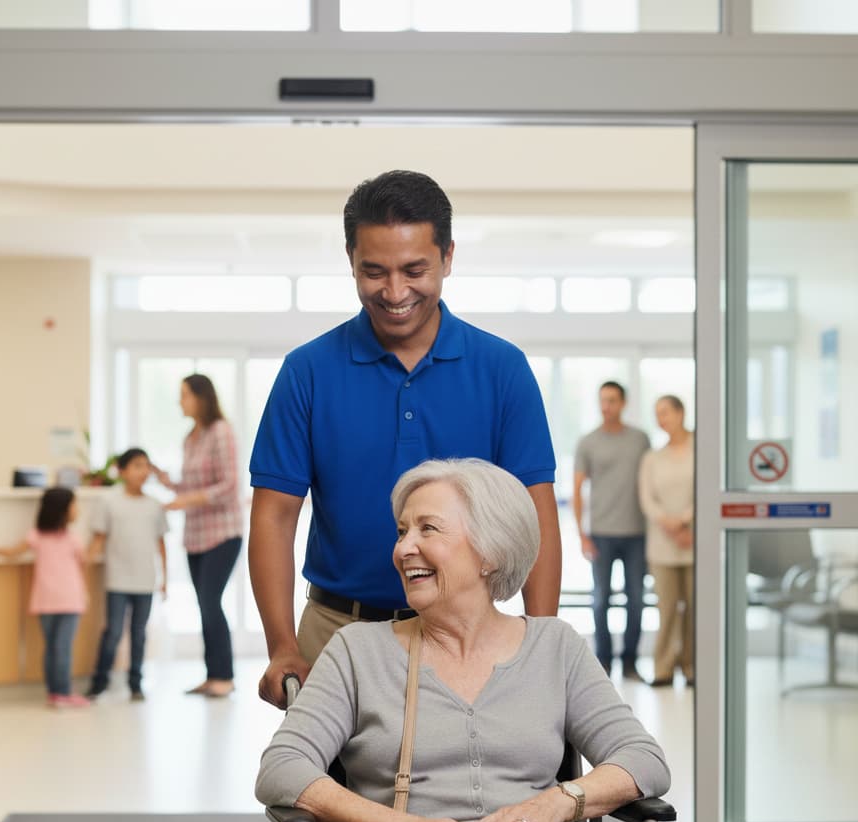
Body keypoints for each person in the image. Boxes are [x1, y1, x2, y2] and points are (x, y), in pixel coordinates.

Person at [256, 458, 669, 822]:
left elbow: (642, 758)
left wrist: (558, 802)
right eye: (402, 531)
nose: (404, 548)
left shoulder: (555, 648)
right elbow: (281, 768)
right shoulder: (359, 651)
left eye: (428, 529)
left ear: (491, 550)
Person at [249, 169, 561, 707]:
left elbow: (537, 512)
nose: (395, 293)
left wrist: (541, 641)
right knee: (326, 793)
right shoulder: (307, 372)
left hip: (470, 633)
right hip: (335, 633)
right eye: (374, 272)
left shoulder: (502, 369)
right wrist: (281, 646)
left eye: (414, 269)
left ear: (447, 257)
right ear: (350, 260)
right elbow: (274, 517)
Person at [153, 374, 243, 698]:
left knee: (210, 602)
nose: (180, 401)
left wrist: (187, 499)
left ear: (201, 397)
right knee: (204, 605)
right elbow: (190, 487)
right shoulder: (191, 437)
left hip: (223, 533)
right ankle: (212, 675)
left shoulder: (222, 431)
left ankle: (225, 677)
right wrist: (169, 483)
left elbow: (230, 485)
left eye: (184, 395)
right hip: (196, 536)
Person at [0, 487, 90, 709]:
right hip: (66, 600)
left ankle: (56, 693)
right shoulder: (65, 538)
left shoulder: (45, 536)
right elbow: (82, 565)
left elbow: (12, 552)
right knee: (61, 648)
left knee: (54, 648)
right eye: (74, 505)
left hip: (52, 600)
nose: (77, 510)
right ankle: (61, 693)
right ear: (63, 510)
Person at [572, 381, 651, 681]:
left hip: (637, 533)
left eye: (612, 401)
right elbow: (578, 489)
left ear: (624, 403)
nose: (607, 406)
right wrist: (582, 534)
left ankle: (630, 662)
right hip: (601, 533)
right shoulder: (588, 442)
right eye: (602, 401)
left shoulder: (640, 440)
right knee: (601, 599)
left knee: (636, 598)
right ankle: (603, 662)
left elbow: (651, 481)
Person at [86, 447, 168, 701]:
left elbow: (161, 543)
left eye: (146, 465)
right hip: (117, 579)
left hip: (145, 581)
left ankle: (136, 684)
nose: (143, 471)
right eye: (136, 466)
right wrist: (85, 561)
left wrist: (164, 578)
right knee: (112, 633)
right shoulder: (109, 501)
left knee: (139, 634)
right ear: (122, 471)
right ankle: (99, 683)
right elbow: (99, 537)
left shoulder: (155, 505)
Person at [638, 395, 694, 687]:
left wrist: (686, 521)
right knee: (667, 609)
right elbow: (647, 499)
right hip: (662, 544)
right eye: (657, 414)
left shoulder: (702, 450)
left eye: (666, 412)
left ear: (681, 412)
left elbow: (708, 489)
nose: (662, 419)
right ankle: (663, 668)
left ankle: (692, 667)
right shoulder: (652, 458)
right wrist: (671, 524)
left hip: (696, 541)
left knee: (696, 609)